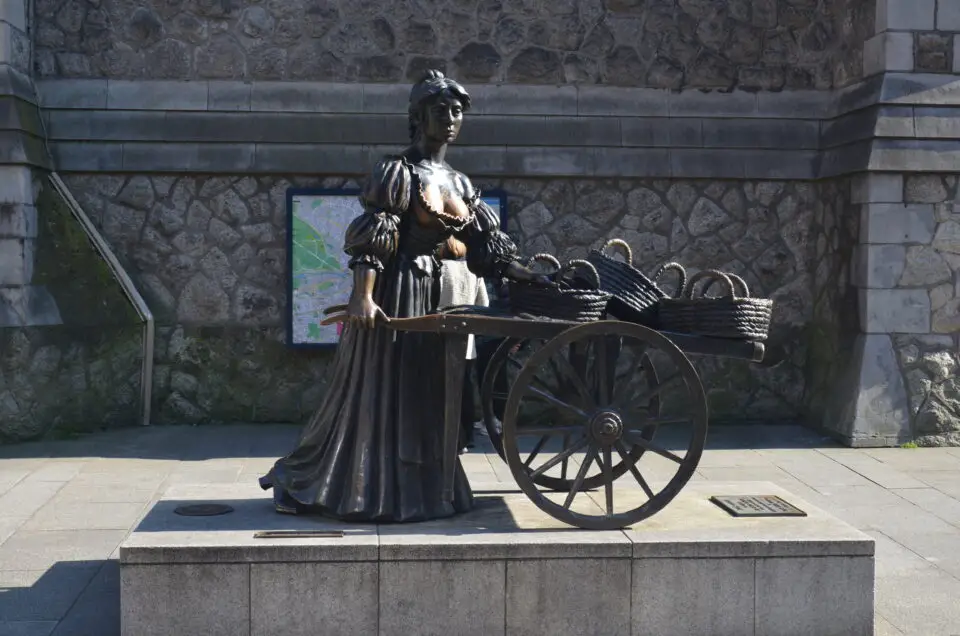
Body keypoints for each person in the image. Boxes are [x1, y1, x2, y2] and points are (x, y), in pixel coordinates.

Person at [259, 70, 547, 522]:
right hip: (396, 294)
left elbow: (483, 247)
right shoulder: (397, 172)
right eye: (440, 110)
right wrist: (362, 297)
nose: (450, 118)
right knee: (382, 394)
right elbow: (377, 238)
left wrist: (524, 273)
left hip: (437, 299)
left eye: (457, 111)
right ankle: (338, 486)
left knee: (430, 392)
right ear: (418, 117)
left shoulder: (460, 183)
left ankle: (426, 491)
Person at [437, 237, 489, 452]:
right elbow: (483, 304)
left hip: (438, 339)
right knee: (465, 392)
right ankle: (466, 438)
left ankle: (445, 437)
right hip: (467, 342)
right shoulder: (473, 272)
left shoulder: (437, 269)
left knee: (440, 392)